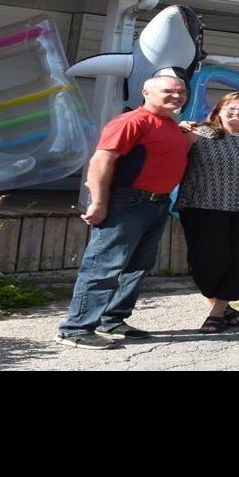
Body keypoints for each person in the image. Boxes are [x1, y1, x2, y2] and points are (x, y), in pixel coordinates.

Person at [56, 72, 190, 349]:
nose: (176, 96)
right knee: (103, 266)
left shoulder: (170, 124)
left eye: (181, 92)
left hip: (157, 203)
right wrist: (98, 202)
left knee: (136, 267)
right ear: (146, 92)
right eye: (168, 91)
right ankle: (75, 328)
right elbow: (101, 161)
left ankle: (112, 320)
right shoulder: (131, 121)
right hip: (127, 202)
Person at [175, 91, 239, 334]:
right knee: (207, 263)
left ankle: (217, 312)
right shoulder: (198, 133)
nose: (237, 113)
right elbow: (170, 154)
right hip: (203, 207)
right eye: (231, 108)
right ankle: (222, 306)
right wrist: (176, 126)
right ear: (219, 110)